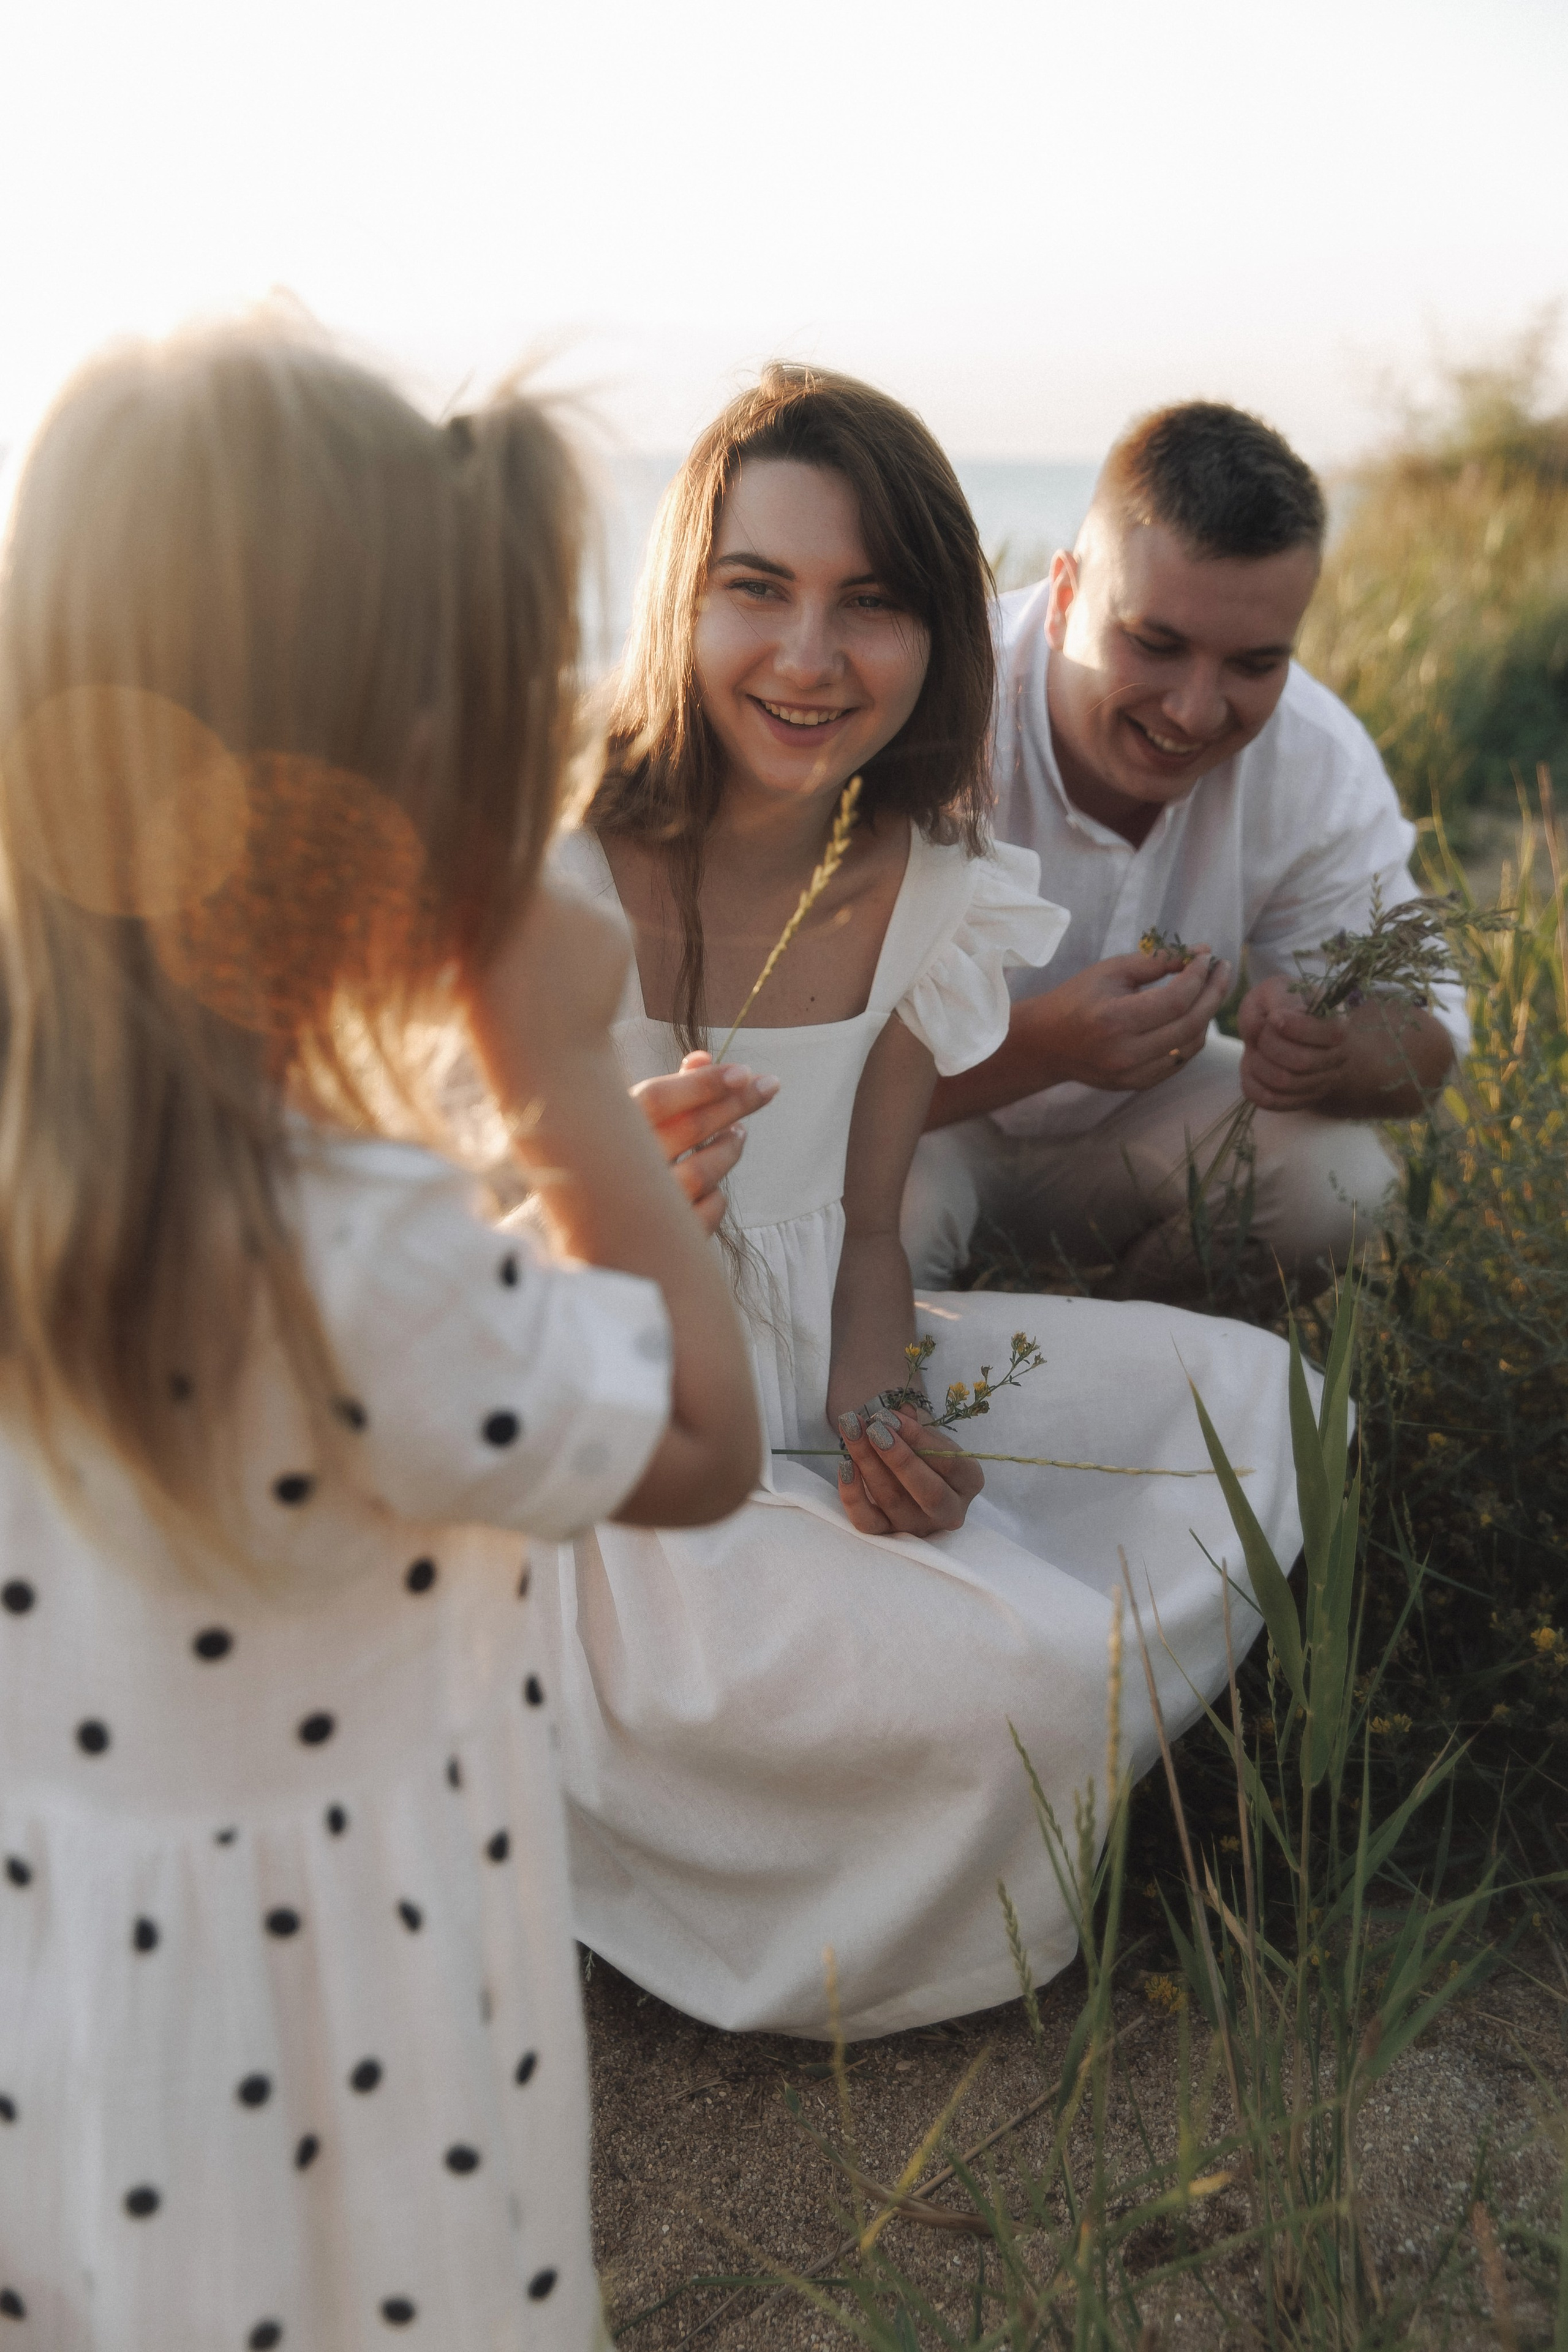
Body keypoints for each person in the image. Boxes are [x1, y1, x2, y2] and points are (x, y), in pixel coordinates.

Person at [0, 320, 757, 2350]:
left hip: (64, 2017)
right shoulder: (355, 1236)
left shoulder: (91, 1182)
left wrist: (517, 1232)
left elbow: (282, 1406)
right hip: (336, 2057)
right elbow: (700, 1435)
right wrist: (563, 1079)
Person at [535, 364, 1310, 2045]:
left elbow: (873, 1227)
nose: (811, 658)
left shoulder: (931, 890)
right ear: (684, 595)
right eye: (760, 590)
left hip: (825, 1363)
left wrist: (882, 1400)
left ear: (938, 639)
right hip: (615, 1449)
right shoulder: (555, 873)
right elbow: (420, 1257)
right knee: (1022, 1660)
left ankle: (1007, 1752)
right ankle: (776, 1845)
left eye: (871, 605)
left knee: (1264, 1407)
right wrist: (599, 1209)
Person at [901, 402, 1470, 1303]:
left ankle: (1137, 1349)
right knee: (867, 1228)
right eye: (1155, 644)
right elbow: (799, 1072)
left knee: (1346, 1184)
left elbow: (1430, 1040)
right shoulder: (927, 708)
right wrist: (1046, 1048)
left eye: (1254, 664)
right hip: (916, 1127)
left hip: (1142, 1127)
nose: (1196, 712)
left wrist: (1333, 1053)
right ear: (1062, 601)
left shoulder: (1315, 756)